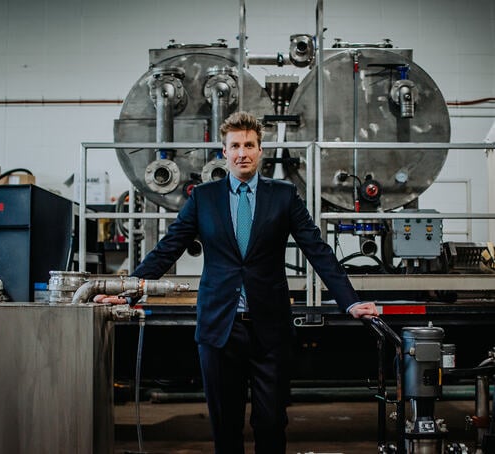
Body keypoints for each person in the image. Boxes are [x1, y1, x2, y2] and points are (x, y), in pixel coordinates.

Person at [97, 111, 378, 454]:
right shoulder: (204, 198)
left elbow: (316, 249)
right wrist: (127, 294)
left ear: (261, 151)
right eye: (235, 146)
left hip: (270, 330)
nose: (242, 152)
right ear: (224, 151)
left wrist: (348, 300)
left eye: (249, 145)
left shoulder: (284, 196)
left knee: (271, 424)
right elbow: (166, 249)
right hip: (219, 330)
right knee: (225, 428)